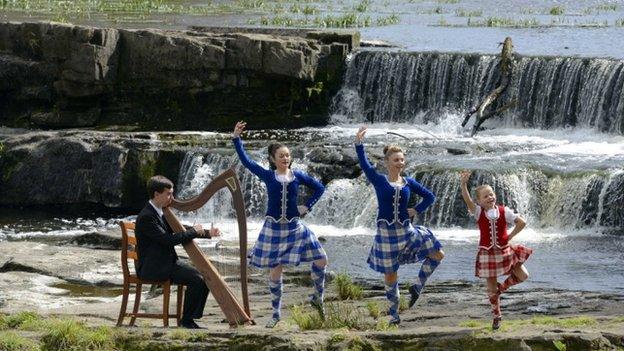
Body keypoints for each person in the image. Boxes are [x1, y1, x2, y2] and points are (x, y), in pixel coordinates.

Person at [232, 121, 328, 328]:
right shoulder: (268, 176)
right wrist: (236, 139)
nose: (285, 158)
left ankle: (317, 298)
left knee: (321, 259)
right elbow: (247, 162)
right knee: (276, 270)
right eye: (281, 156)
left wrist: (307, 206)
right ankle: (276, 313)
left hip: (295, 227)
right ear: (273, 159)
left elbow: (320, 188)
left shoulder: (298, 176)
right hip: (274, 229)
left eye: (287, 155)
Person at [355, 126, 445, 325]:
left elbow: (430, 196)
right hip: (386, 235)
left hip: (407, 232)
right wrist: (359, 144)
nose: (400, 162)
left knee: (438, 254)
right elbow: (364, 164)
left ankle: (417, 287)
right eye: (396, 160)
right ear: (387, 162)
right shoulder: (378, 180)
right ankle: (394, 314)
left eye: (402, 160)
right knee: (391, 275)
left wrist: (417, 210)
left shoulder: (408, 182)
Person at [135, 175, 221, 329]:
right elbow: (168, 239)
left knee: (205, 274)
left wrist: (207, 233)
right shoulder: (147, 217)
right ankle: (187, 321)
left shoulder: (160, 212)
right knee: (198, 279)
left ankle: (191, 316)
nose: (172, 198)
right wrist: (194, 232)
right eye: (168, 194)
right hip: (153, 268)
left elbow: (180, 229)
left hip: (165, 263)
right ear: (156, 194)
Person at [459, 170, 532, 330]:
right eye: (485, 196)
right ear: (479, 201)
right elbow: (467, 200)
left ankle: (502, 288)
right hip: (487, 253)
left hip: (505, 250)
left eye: (491, 194)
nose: (490, 197)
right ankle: (497, 315)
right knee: (490, 285)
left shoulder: (504, 211)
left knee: (523, 275)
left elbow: (522, 222)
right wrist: (463, 184)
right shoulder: (478, 212)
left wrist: (510, 236)